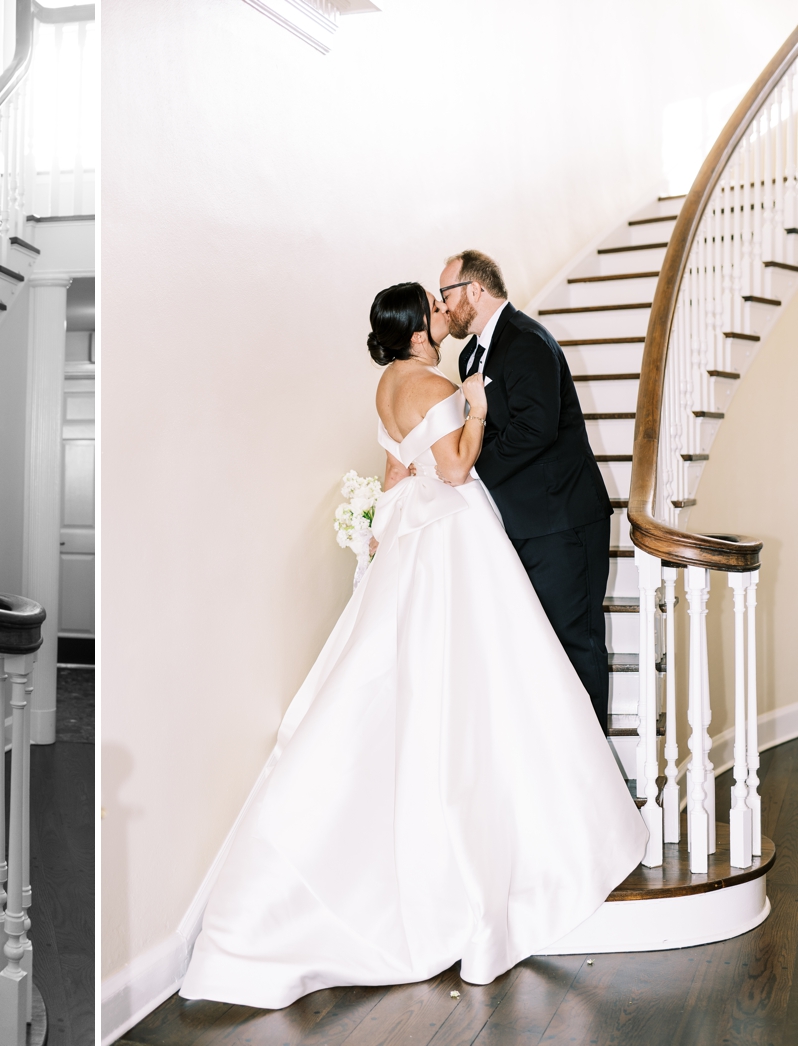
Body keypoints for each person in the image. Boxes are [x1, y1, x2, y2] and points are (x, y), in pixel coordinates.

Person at [178, 283, 646, 1009]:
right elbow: (455, 468)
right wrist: (478, 412)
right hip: (454, 536)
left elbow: (399, 471)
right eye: (433, 307)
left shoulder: (385, 384)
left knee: (406, 678)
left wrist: (379, 532)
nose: (441, 313)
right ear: (419, 327)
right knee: (478, 677)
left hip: (408, 536)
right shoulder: (433, 380)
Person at [441, 250, 614, 730]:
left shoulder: (527, 340)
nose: (444, 305)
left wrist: (472, 470)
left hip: (562, 521)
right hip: (522, 523)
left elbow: (535, 429)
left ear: (475, 290)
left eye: (447, 294)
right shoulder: (469, 355)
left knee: (574, 642)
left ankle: (594, 774)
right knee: (539, 648)